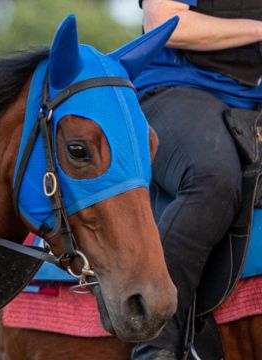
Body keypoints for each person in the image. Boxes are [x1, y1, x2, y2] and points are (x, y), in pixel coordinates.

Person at [132, 0, 262, 359]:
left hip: (255, 102)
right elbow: (166, 22)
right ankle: (157, 342)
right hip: (175, 92)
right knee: (212, 177)